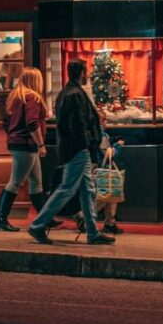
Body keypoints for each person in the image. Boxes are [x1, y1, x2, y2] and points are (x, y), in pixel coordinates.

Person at [27, 59, 115, 246]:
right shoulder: (75, 94)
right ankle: (38, 224)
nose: (89, 75)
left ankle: (92, 231)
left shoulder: (66, 93)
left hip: (73, 147)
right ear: (81, 73)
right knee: (67, 188)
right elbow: (78, 124)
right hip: (78, 148)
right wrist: (88, 144)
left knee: (87, 190)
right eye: (87, 71)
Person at [0, 66, 62, 232]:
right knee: (15, 182)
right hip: (27, 145)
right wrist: (41, 144)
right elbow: (32, 123)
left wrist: (12, 135)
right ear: (35, 80)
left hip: (18, 143)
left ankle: (45, 218)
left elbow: (5, 121)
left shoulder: (15, 96)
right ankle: (0, 219)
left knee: (36, 182)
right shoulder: (32, 98)